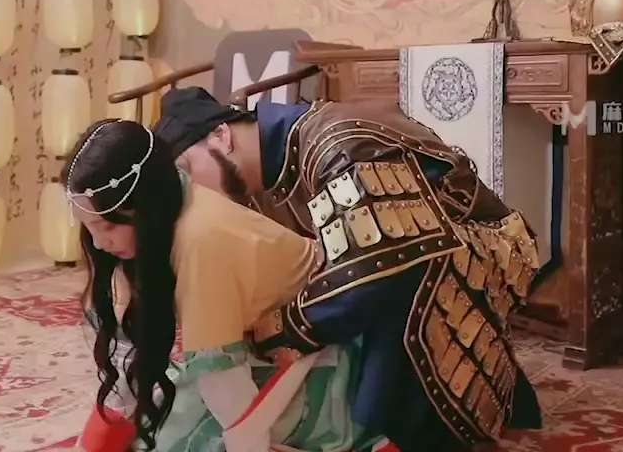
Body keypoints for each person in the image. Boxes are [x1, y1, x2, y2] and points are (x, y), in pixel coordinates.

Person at [149, 86, 544, 451]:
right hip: (384, 276)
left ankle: (396, 427)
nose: (194, 192)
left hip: (457, 259)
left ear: (221, 135)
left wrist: (277, 329)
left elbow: (377, 267)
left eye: (189, 169)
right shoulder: (254, 185)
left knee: (390, 267)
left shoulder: (337, 142)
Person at [67, 118, 389, 452]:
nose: (99, 242)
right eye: (89, 227)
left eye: (106, 226)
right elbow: (129, 358)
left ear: (143, 208)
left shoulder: (203, 240)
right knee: (157, 423)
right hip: (266, 348)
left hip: (328, 359)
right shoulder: (168, 209)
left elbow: (222, 380)